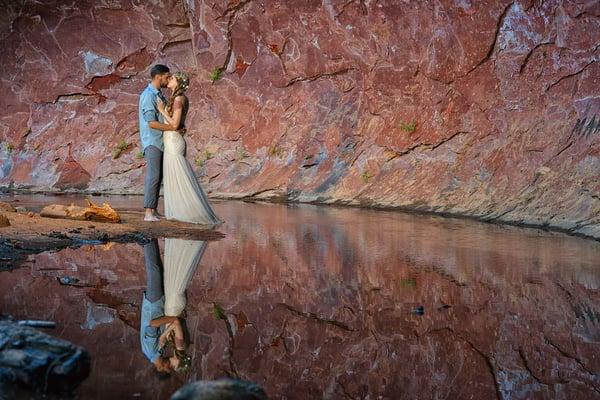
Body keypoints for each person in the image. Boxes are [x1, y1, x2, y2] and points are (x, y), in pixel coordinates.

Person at [156, 72, 222, 225]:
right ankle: (179, 212)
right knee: (174, 175)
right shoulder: (175, 98)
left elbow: (175, 124)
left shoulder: (179, 99)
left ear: (178, 82)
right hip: (170, 139)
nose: (169, 79)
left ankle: (190, 213)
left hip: (174, 140)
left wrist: (161, 110)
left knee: (179, 175)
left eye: (172, 78)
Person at [138, 64, 184, 222]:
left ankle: (154, 210)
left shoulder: (159, 95)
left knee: (159, 176)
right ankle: (148, 213)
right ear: (158, 77)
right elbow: (151, 122)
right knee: (153, 175)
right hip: (152, 140)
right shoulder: (148, 95)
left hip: (161, 140)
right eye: (166, 76)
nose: (168, 79)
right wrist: (172, 128)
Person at [140, 239, 186, 376]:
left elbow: (153, 323)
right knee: (157, 269)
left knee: (153, 271)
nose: (169, 367)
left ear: (161, 369)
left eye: (168, 369)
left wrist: (172, 319)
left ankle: (145, 238)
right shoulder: (159, 352)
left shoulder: (150, 351)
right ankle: (150, 238)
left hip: (152, 305)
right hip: (159, 305)